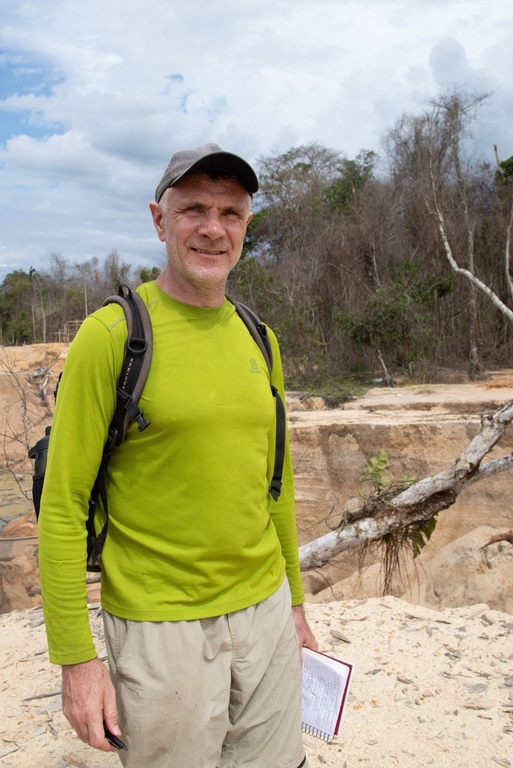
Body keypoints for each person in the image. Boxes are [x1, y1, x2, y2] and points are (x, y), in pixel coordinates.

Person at [37, 143, 317, 768]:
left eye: (231, 213)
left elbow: (277, 486)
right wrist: (78, 663)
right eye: (193, 209)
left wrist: (294, 606)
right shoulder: (112, 337)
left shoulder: (259, 338)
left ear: (247, 225)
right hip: (160, 630)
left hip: (265, 612)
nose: (213, 229)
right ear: (159, 220)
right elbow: (62, 506)